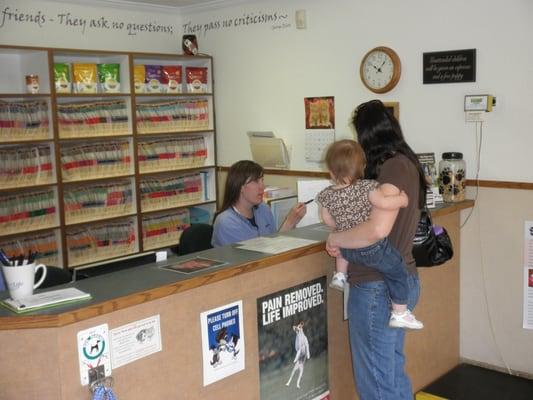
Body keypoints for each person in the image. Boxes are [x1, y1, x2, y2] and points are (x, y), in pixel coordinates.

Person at [326, 100, 427, 400]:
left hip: (376, 286)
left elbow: (377, 230)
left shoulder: (393, 166)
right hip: (396, 282)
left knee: (377, 383)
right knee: (391, 372)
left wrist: (337, 238)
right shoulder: (405, 162)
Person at [317, 139, 423, 330]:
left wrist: (341, 225)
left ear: (331, 172)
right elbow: (383, 203)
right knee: (398, 269)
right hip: (370, 249)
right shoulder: (367, 187)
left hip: (348, 251)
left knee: (342, 239)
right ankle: (399, 312)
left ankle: (340, 274)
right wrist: (402, 200)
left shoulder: (327, 194)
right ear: (362, 168)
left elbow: (326, 219)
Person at [211, 160, 306, 247]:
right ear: (240, 187)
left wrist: (293, 223)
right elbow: (255, 259)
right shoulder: (226, 222)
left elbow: (274, 241)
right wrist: (289, 222)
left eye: (262, 180)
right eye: (256, 181)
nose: (262, 186)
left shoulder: (263, 208)